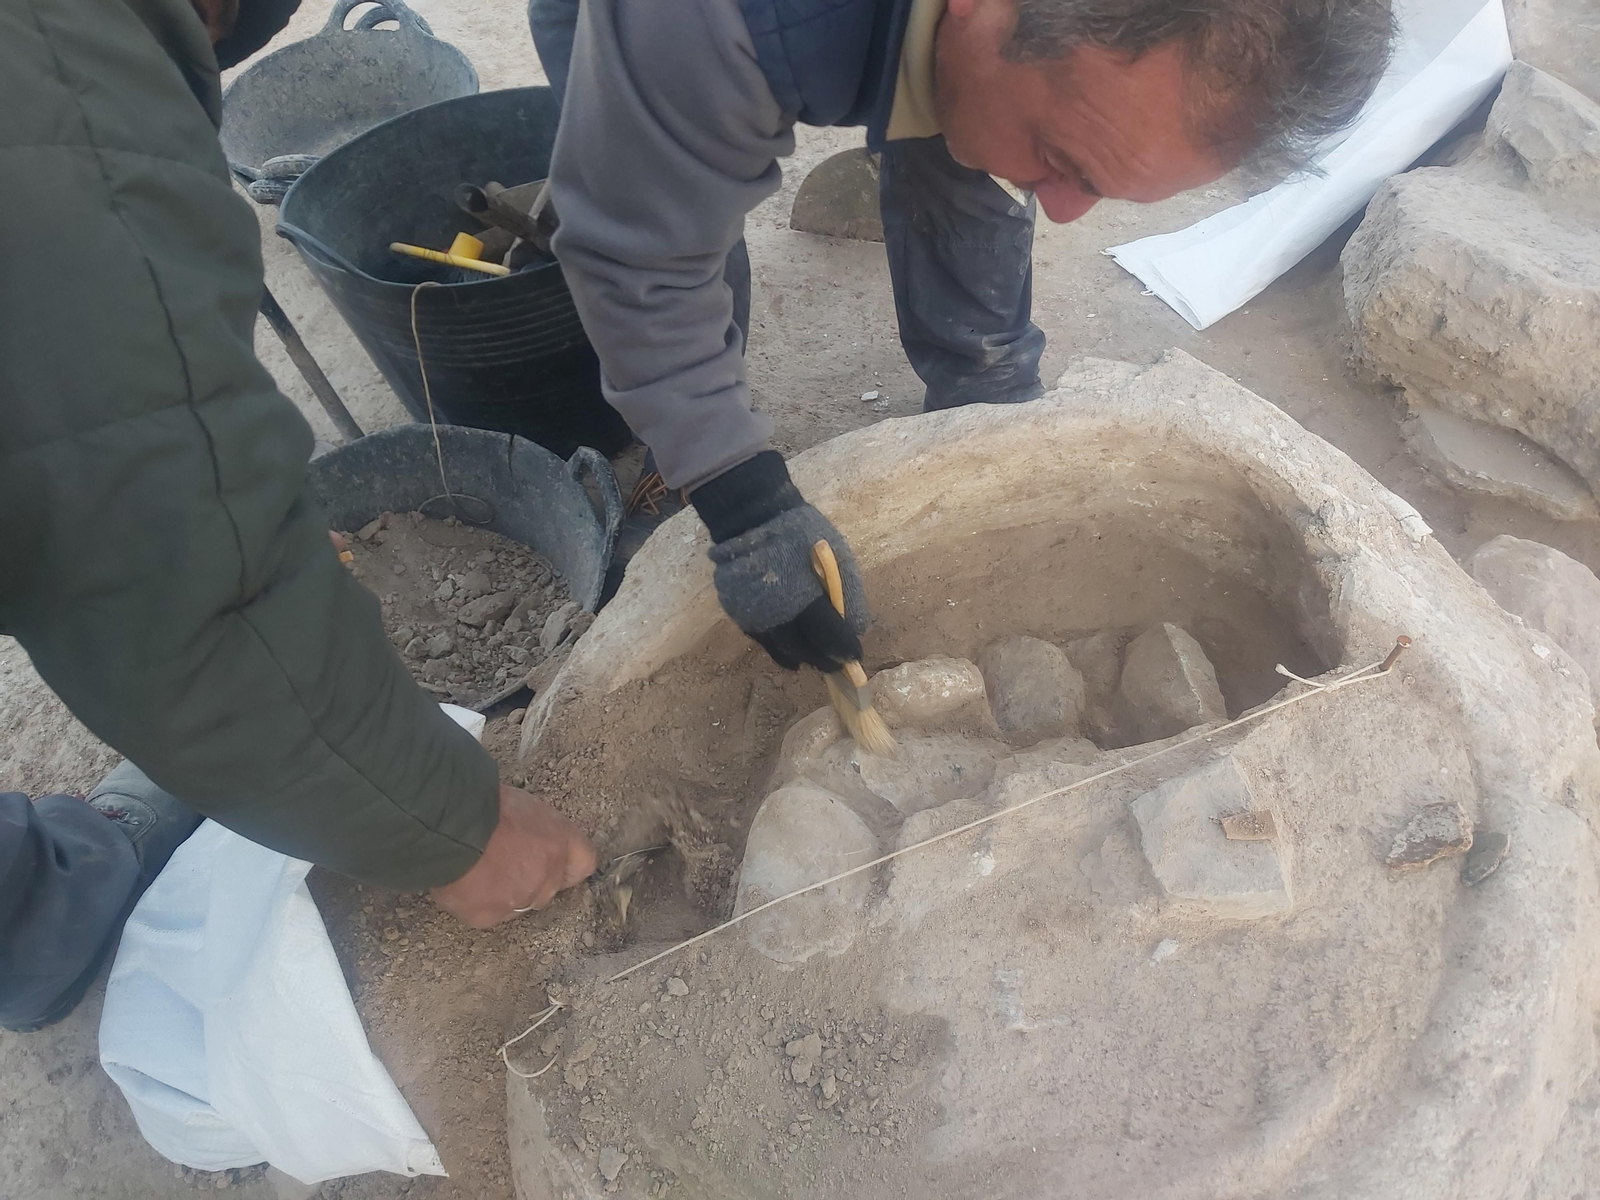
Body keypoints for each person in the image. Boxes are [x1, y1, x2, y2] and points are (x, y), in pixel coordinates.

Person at [0, 0, 596, 1033]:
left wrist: (238, 513)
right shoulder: (56, 93)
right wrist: (451, 824)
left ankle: (29, 908)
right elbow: (164, 567)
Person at [530, 0, 1395, 676]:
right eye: (1067, 163)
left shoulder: (1020, 53)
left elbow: (998, 110)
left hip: (970, 51)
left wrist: (994, 439)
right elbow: (641, 259)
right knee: (671, 224)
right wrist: (738, 495)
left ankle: (983, 391)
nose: (1062, 212)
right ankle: (678, 455)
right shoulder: (706, 22)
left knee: (980, 130)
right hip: (679, 34)